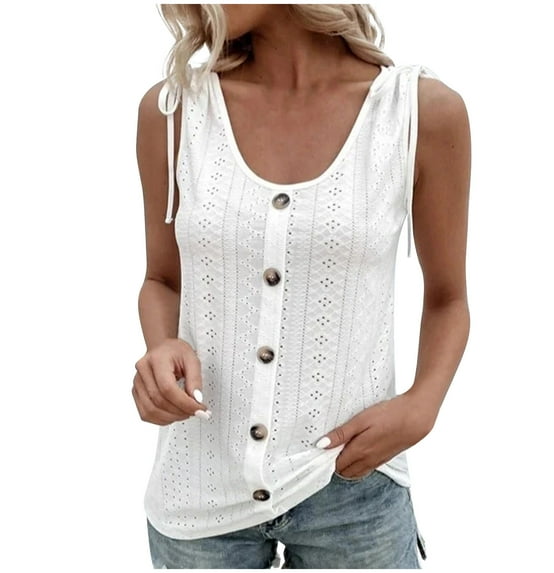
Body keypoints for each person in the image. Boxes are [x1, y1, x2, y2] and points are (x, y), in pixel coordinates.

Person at [132, 3, 471, 569]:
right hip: (198, 491)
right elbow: (161, 279)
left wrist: (423, 405)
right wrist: (160, 346)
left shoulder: (417, 113)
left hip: (355, 485)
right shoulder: (174, 110)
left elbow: (448, 299)